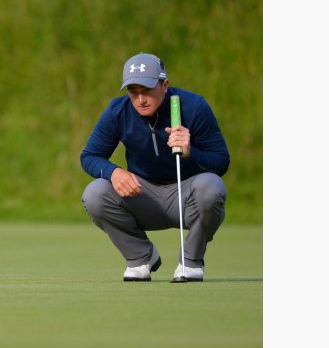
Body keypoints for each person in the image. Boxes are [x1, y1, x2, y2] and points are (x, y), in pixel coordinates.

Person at [80, 52, 230, 282]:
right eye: (133, 92)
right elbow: (89, 156)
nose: (141, 100)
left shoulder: (194, 106)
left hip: (187, 196)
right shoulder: (118, 111)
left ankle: (191, 261)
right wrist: (114, 172)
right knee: (95, 193)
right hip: (142, 196)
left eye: (147, 90)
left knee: (212, 186)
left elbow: (221, 161)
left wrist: (191, 152)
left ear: (164, 84)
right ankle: (141, 257)